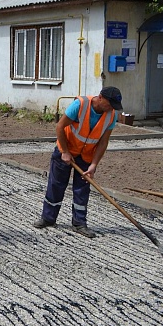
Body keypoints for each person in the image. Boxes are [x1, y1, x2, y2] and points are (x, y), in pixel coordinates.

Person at [33, 86, 123, 238]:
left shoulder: (111, 115)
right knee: (56, 185)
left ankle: (79, 223)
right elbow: (60, 126)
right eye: (109, 104)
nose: (110, 109)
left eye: (113, 106)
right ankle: (48, 218)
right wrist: (65, 152)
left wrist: (94, 164)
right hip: (66, 150)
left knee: (82, 190)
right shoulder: (80, 105)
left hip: (87, 155)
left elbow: (103, 142)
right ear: (100, 97)